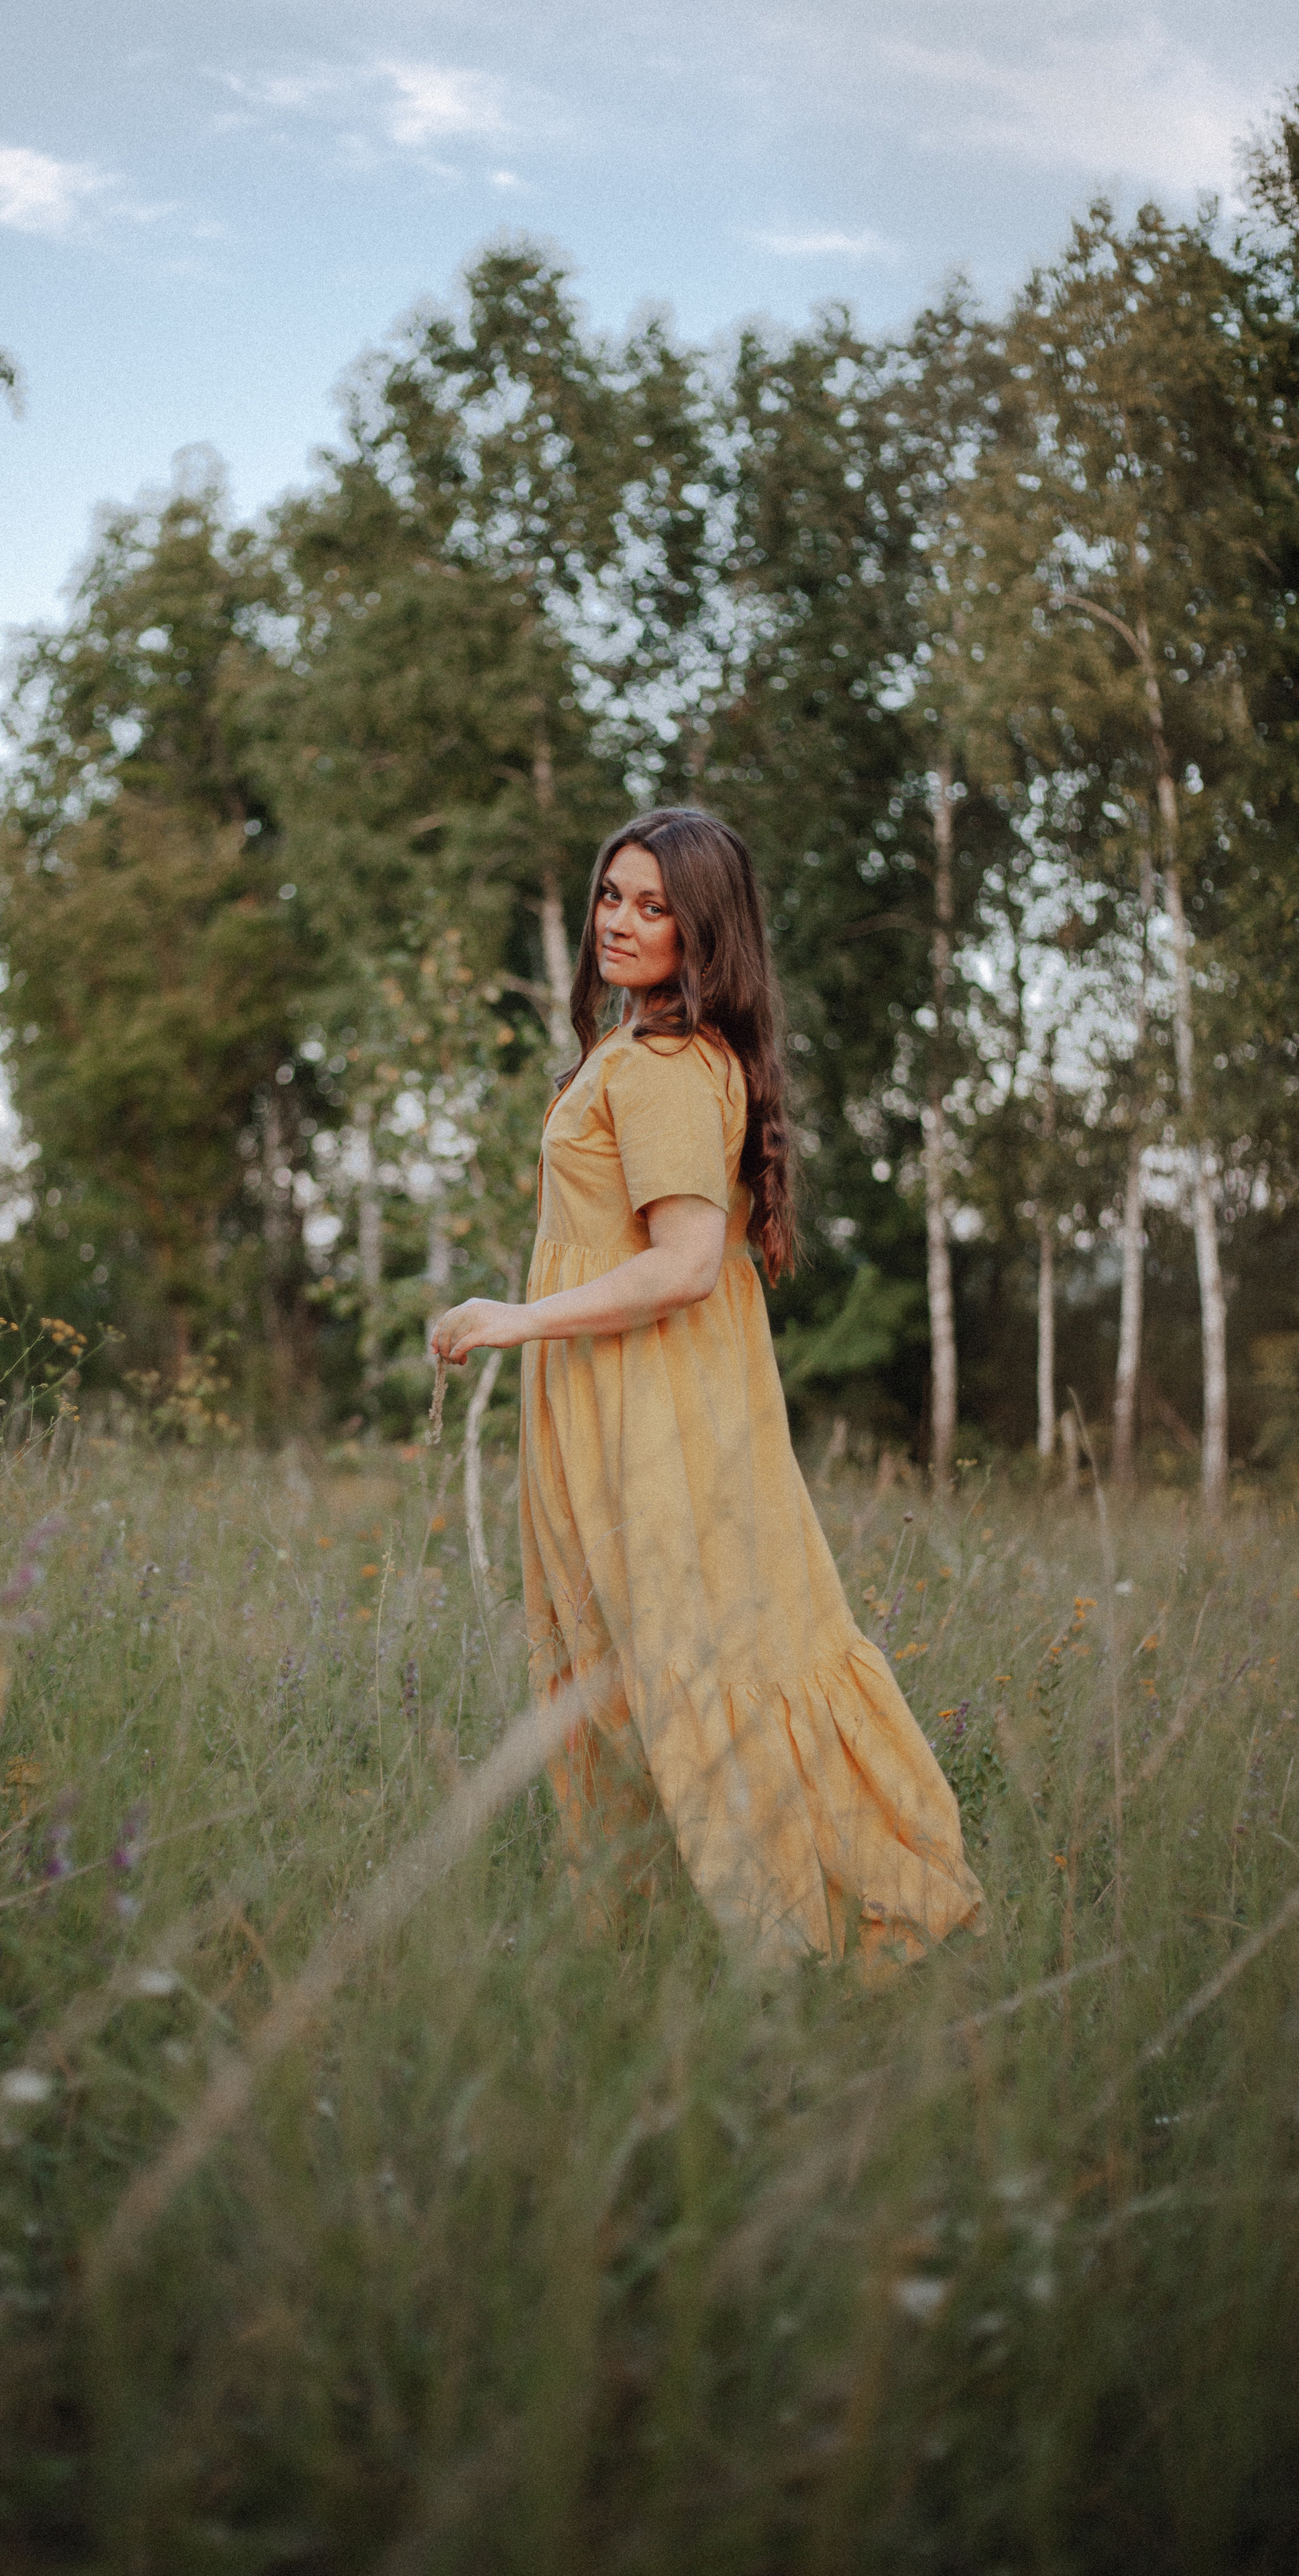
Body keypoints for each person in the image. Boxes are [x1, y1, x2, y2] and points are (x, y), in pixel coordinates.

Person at [430, 808, 985, 1974]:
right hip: (620, 1400)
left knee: (698, 1662)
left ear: (705, 931)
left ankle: (802, 1947)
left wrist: (511, 1319)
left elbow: (684, 1265)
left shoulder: (669, 1066)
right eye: (612, 897)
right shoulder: (642, 1053)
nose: (622, 924)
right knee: (635, 1669)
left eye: (656, 907)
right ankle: (666, 1953)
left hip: (655, 1414)